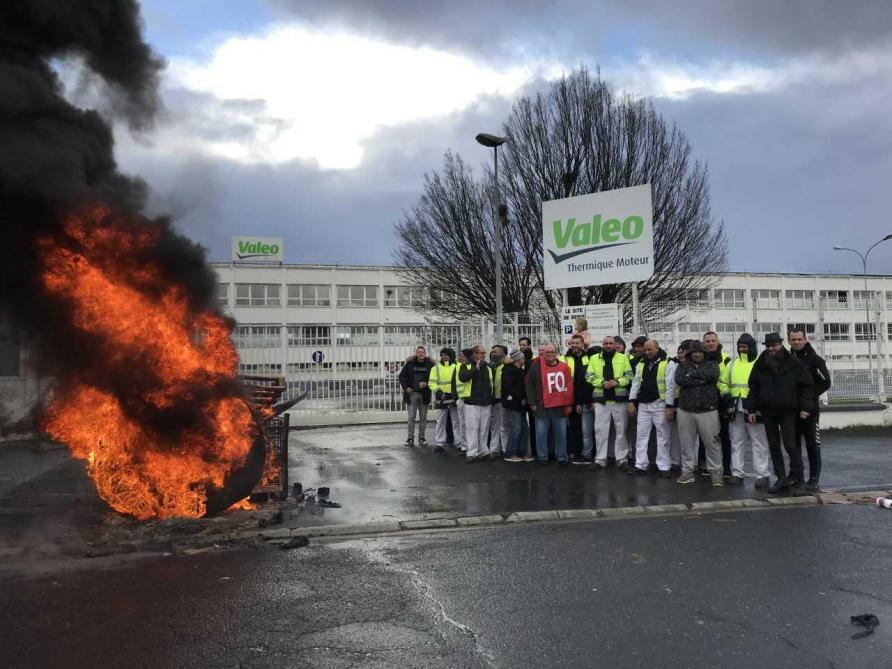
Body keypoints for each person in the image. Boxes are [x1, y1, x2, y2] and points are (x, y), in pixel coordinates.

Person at [745, 333, 815, 494]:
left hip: (787, 410)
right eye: (769, 346)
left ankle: (799, 479)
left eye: (775, 345)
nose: (772, 348)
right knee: (773, 445)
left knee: (791, 445)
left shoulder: (793, 363)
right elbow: (753, 386)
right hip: (768, 410)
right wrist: (751, 409)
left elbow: (806, 386)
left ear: (781, 344)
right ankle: (781, 478)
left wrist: (805, 407)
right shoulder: (762, 362)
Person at [719, 334, 771, 487]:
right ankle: (737, 474)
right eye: (740, 346)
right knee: (736, 441)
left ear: (752, 347)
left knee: (759, 442)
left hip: (754, 408)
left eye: (745, 346)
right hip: (735, 407)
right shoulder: (732, 364)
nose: (742, 349)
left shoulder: (761, 364)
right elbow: (722, 382)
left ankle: (762, 475)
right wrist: (726, 394)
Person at [675, 341, 723, 486]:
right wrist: (701, 379)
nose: (697, 354)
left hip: (708, 410)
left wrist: (692, 376)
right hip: (685, 410)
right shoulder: (682, 366)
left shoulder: (712, 365)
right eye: (694, 352)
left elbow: (712, 376)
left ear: (704, 353)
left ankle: (716, 473)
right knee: (686, 444)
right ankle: (687, 472)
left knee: (712, 443)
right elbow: (680, 379)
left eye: (700, 352)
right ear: (689, 354)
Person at [789, 328, 831, 490]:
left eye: (799, 339)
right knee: (794, 445)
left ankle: (814, 479)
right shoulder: (787, 359)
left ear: (805, 340)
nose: (797, 342)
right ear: (789, 341)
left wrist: (808, 399)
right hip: (791, 411)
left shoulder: (815, 360)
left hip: (810, 411)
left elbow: (825, 382)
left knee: (812, 444)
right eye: (793, 340)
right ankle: (797, 477)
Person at [628, 339, 677, 477]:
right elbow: (636, 383)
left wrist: (669, 406)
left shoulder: (668, 363)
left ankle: (664, 466)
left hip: (660, 404)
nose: (647, 352)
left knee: (663, 436)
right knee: (641, 436)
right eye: (646, 350)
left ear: (657, 348)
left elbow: (670, 386)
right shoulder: (642, 363)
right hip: (644, 404)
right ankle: (640, 465)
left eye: (650, 350)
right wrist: (632, 401)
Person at [586, 336, 633, 470]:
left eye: (611, 343)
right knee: (600, 431)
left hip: (619, 400)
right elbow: (589, 376)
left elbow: (629, 376)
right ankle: (600, 459)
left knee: (621, 431)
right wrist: (601, 383)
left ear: (615, 345)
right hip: (602, 401)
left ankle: (621, 459)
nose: (608, 345)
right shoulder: (594, 358)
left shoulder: (623, 358)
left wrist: (617, 382)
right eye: (606, 343)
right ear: (602, 344)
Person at [525, 343, 575, 465]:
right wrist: (532, 402)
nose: (550, 354)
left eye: (552, 352)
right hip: (542, 407)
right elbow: (529, 384)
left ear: (556, 353)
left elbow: (569, 387)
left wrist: (568, 404)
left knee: (561, 434)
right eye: (547, 352)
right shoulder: (536, 367)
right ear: (543, 354)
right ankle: (542, 457)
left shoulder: (564, 367)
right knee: (541, 434)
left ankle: (562, 457)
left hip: (559, 407)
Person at [458, 345, 494, 462]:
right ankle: (472, 452)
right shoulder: (466, 365)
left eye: (484, 353)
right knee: (472, 427)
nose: (483, 355)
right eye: (481, 353)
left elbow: (490, 384)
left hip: (485, 402)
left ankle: (484, 451)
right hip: (472, 402)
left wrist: (490, 399)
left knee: (484, 428)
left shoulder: (487, 367)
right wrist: (475, 368)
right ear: (474, 354)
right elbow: (463, 377)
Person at [703, 331, 732, 477]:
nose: (710, 344)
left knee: (725, 437)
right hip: (704, 404)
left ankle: (726, 467)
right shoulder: (700, 359)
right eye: (707, 341)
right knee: (705, 437)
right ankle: (705, 466)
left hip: (722, 405)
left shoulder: (727, 361)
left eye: (713, 341)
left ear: (718, 342)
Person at [560, 334, 592, 463]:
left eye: (577, 343)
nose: (574, 345)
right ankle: (572, 452)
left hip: (584, 397)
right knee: (571, 427)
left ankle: (585, 452)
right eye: (572, 343)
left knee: (585, 428)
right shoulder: (563, 358)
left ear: (582, 344)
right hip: (569, 397)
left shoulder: (589, 357)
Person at [398, 346, 435, 447]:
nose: (420, 354)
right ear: (416, 353)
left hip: (425, 394)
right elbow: (401, 376)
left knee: (423, 417)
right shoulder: (409, 364)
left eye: (422, 352)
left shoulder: (430, 365)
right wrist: (406, 388)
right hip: (412, 394)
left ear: (425, 353)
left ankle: (422, 437)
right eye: (418, 352)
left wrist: (427, 383)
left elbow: (435, 378)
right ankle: (410, 438)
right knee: (411, 417)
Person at [668, 341, 693, 471]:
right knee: (675, 435)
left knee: (689, 436)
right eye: (679, 351)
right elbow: (670, 386)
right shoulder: (672, 364)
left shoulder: (694, 365)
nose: (680, 353)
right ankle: (675, 461)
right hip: (676, 403)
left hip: (689, 404)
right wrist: (669, 405)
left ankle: (689, 463)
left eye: (683, 351)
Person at [429, 348, 459, 453]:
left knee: (456, 421)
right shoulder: (435, 368)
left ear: (450, 356)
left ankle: (458, 443)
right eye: (441, 355)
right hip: (441, 398)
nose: (443, 357)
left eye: (445, 355)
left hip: (453, 397)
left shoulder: (456, 366)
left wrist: (455, 394)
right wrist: (440, 393)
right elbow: (432, 383)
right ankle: (439, 443)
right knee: (440, 421)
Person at [501, 349, 528, 462]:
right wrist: (520, 397)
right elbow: (510, 387)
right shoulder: (509, 371)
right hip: (514, 404)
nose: (524, 360)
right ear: (518, 359)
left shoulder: (518, 370)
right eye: (522, 358)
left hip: (519, 404)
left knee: (523, 429)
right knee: (516, 429)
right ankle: (510, 454)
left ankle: (521, 453)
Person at [487, 345, 509, 457]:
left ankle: (506, 449)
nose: (493, 354)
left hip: (503, 400)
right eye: (492, 352)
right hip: (493, 400)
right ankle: (494, 449)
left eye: (495, 352)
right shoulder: (491, 367)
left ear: (502, 354)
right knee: (494, 426)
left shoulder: (506, 366)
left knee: (504, 427)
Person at [453, 349, 471, 453]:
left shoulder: (472, 366)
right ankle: (464, 446)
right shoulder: (457, 366)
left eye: (462, 356)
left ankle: (471, 445)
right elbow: (453, 383)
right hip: (461, 398)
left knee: (471, 424)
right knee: (463, 424)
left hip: (471, 399)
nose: (459, 357)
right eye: (459, 355)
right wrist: (456, 397)